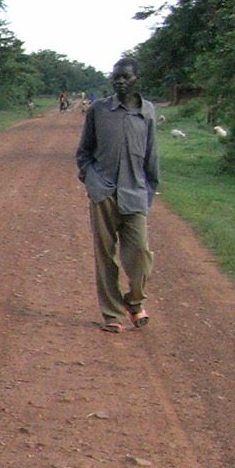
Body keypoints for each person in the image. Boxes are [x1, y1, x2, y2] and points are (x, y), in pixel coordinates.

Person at [74, 58, 159, 332]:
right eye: (116, 77)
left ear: (136, 79)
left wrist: (148, 194)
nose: (119, 81)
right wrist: (92, 181)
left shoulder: (147, 113)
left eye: (125, 77)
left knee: (141, 255)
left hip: (135, 193)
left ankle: (134, 301)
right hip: (104, 193)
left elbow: (151, 159)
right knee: (105, 255)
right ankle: (112, 314)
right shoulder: (99, 110)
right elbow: (84, 153)